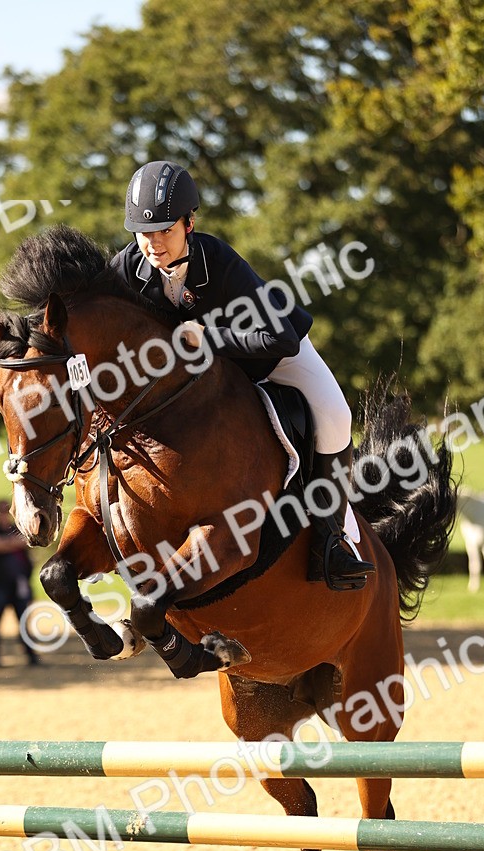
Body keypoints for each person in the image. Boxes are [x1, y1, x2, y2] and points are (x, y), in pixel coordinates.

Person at [112, 160, 375, 590]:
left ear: (189, 223)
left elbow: (282, 339)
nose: (154, 243)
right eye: (144, 232)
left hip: (276, 358)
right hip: (216, 380)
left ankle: (333, 540)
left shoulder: (220, 261)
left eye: (165, 230)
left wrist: (209, 336)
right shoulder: (128, 268)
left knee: (336, 415)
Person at [0, 500, 39, 668]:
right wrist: (12, 543)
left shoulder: (17, 529)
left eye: (7, 511)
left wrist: (4, 544)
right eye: (1, 511)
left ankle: (31, 656)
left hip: (18, 584)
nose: (4, 514)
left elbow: (26, 541)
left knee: (23, 621)